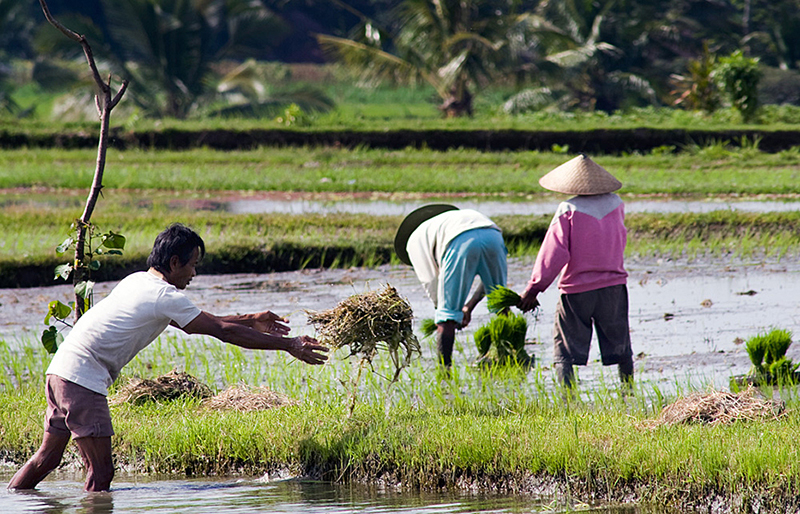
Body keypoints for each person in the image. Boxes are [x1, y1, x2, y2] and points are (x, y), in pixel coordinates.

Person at [8, 223, 328, 492]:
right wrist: (290, 345)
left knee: (46, 460)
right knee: (101, 473)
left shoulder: (138, 281)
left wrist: (251, 317)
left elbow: (203, 320)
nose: (194, 273)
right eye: (192, 265)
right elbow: (220, 330)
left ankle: (14, 501)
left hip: (59, 373)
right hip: (82, 382)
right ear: (175, 263)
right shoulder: (165, 296)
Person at [518, 154, 634, 389]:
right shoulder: (616, 203)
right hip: (613, 286)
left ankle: (568, 400)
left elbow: (554, 253)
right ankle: (629, 392)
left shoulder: (568, 208)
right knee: (621, 344)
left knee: (565, 350)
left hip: (577, 290)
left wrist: (534, 288)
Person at [394, 205, 508, 367]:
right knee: (501, 301)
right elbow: (488, 283)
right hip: (492, 234)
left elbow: (431, 280)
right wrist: (468, 307)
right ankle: (511, 356)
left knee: (446, 316)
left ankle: (444, 370)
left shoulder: (414, 241)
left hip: (459, 240)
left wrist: (444, 311)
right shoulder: (447, 221)